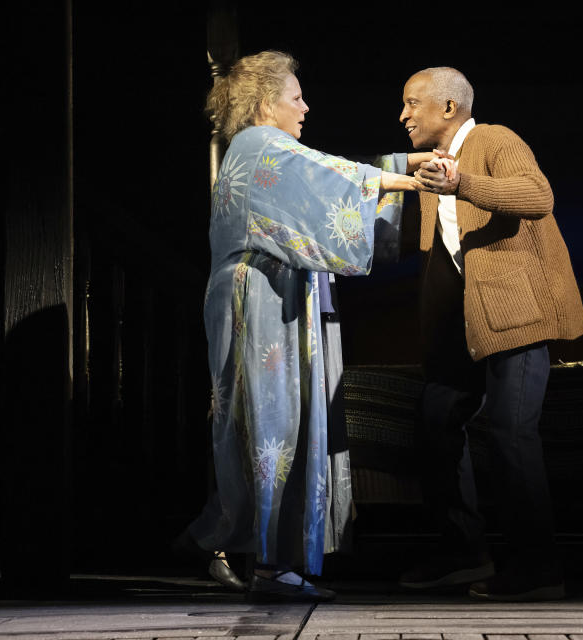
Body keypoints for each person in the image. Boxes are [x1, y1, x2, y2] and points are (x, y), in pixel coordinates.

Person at [175, 50, 430, 603]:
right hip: (259, 297)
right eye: (295, 97)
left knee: (271, 419)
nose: (305, 107)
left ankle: (237, 543)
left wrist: (402, 170)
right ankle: (266, 559)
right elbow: (325, 177)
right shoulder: (262, 145)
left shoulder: (263, 149)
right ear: (267, 103)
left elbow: (322, 173)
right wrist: (405, 182)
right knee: (273, 421)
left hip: (265, 290)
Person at [396, 66, 583, 601]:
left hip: (517, 312)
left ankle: (539, 568)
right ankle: (464, 552)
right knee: (435, 421)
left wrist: (464, 183)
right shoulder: (433, 168)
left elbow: (537, 196)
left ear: (449, 108)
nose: (403, 115)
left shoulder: (494, 140)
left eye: (413, 103)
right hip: (466, 321)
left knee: (510, 431)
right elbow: (430, 241)